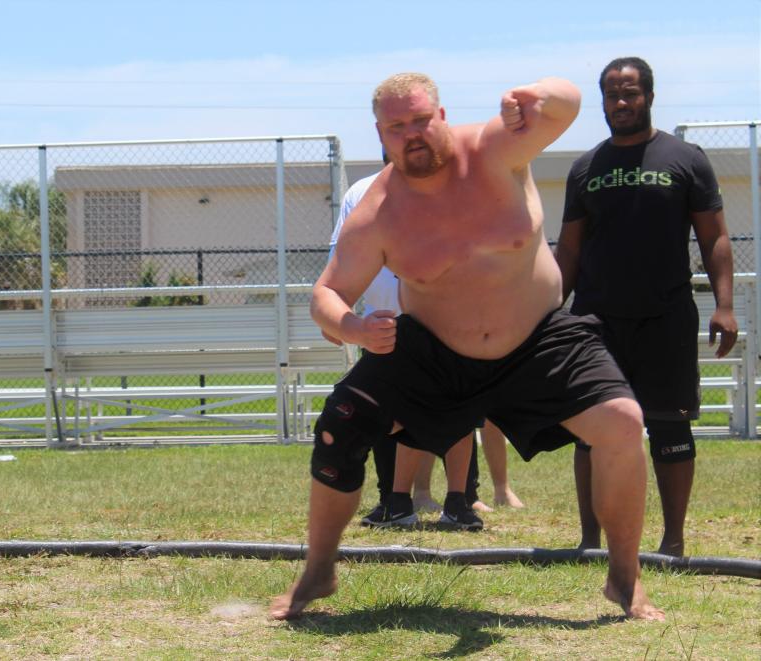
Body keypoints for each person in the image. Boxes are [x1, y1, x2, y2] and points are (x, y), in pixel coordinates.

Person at [271, 72, 665, 622]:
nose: (411, 134)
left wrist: (537, 96)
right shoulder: (379, 209)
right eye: (396, 126)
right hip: (435, 352)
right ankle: (318, 568)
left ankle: (625, 576)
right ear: (380, 134)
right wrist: (354, 328)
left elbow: (567, 106)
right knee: (340, 422)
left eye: (419, 120)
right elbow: (327, 294)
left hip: (540, 338)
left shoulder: (495, 148)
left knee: (623, 421)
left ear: (442, 115)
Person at [555, 57, 737, 557]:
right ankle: (591, 540)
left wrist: (725, 305)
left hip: (666, 317)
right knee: (593, 428)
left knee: (669, 423)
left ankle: (673, 541)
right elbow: (568, 249)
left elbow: (714, 236)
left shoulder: (686, 159)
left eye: (630, 92)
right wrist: (552, 309)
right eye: (612, 94)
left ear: (649, 96)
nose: (620, 102)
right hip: (595, 320)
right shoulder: (585, 168)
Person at [329, 163, 486, 530]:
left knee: (460, 413)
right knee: (401, 415)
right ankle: (398, 501)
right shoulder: (365, 193)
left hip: (451, 319)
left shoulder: (453, 188)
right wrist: (340, 312)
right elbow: (343, 259)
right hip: (390, 324)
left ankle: (458, 502)